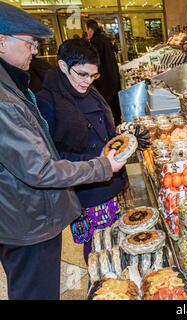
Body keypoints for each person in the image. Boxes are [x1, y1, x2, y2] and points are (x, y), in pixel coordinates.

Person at [0, 3, 126, 300]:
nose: (34, 50)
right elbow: (42, 165)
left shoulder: (16, 85)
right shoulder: (18, 98)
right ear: (2, 41)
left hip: (40, 211)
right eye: (29, 43)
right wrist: (102, 166)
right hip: (31, 218)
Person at [36, 39, 128, 263]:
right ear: (62, 66)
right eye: (82, 74)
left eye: (93, 76)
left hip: (109, 180)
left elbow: (103, 130)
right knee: (97, 246)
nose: (88, 81)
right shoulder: (47, 101)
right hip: (85, 190)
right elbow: (52, 158)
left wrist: (124, 137)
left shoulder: (89, 90)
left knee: (114, 241)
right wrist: (97, 163)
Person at [85, 19, 122, 126]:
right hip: (113, 78)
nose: (87, 33)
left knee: (106, 107)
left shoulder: (96, 41)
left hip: (104, 81)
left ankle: (111, 128)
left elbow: (94, 62)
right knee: (115, 107)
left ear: (90, 29)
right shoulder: (105, 38)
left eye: (86, 30)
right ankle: (117, 125)